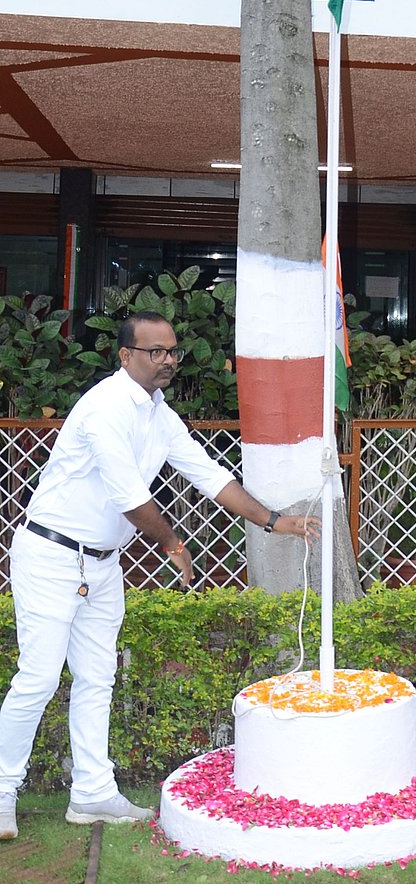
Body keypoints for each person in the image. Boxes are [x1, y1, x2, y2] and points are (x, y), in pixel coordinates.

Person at [0, 312, 320, 841]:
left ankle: (92, 793)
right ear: (126, 356)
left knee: (97, 677)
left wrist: (273, 521)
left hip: (101, 563)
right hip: (51, 556)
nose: (169, 360)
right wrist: (171, 541)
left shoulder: (158, 412)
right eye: (156, 352)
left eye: (173, 350)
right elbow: (130, 498)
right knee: (37, 678)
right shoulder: (104, 407)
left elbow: (207, 473)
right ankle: (2, 791)